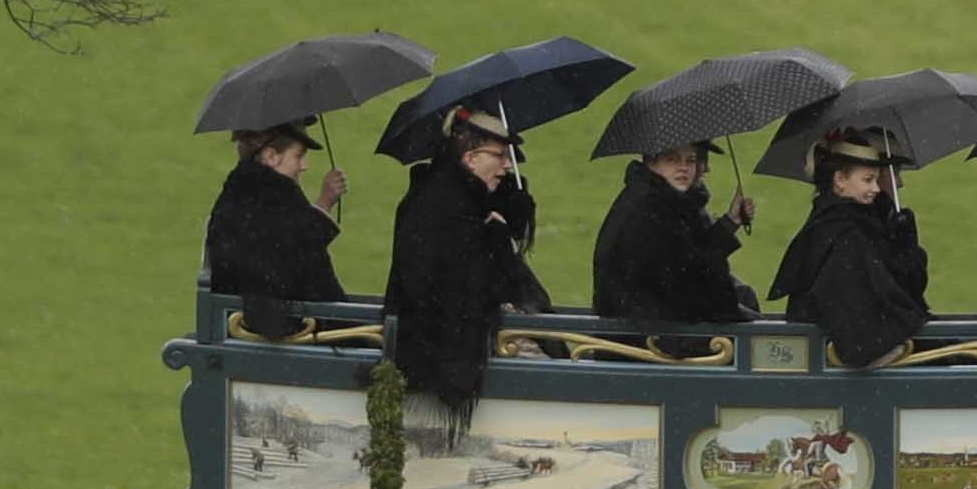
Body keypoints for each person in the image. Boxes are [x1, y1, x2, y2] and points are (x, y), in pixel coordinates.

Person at [385, 101, 551, 413]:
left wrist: (514, 207)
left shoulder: (460, 195)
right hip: (441, 359)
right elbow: (468, 282)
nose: (507, 167)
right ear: (470, 158)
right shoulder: (445, 205)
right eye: (499, 156)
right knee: (552, 366)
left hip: (447, 351)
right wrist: (496, 238)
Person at [770, 126, 933, 367]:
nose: (878, 188)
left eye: (877, 179)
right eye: (869, 179)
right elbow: (857, 304)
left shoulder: (852, 223)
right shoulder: (843, 231)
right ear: (840, 179)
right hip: (838, 360)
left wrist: (904, 241)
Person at [202, 122, 351, 338]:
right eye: (298, 156)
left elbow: (286, 249)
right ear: (271, 157)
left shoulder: (245, 192)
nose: (304, 165)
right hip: (288, 333)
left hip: (249, 325)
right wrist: (324, 203)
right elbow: (300, 258)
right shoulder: (274, 196)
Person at [592, 140, 758, 328]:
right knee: (754, 333)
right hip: (649, 336)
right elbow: (687, 278)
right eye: (672, 159)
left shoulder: (667, 202)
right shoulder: (649, 208)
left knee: (749, 311)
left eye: (691, 160)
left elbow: (691, 264)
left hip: (660, 325)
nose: (683, 168)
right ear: (650, 162)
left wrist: (731, 221)